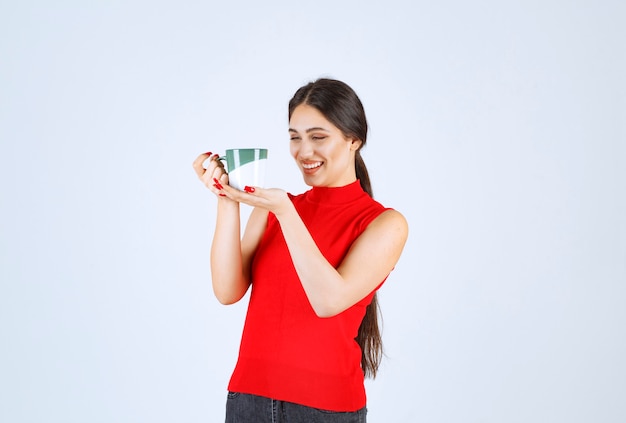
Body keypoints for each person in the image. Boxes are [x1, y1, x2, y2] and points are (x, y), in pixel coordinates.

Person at [192, 78, 408, 422]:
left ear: (354, 139)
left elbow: (328, 301)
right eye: (295, 137)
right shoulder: (275, 208)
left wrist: (285, 212)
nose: (304, 151)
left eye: (318, 137)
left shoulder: (384, 224)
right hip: (248, 399)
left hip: (326, 409)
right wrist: (226, 197)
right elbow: (227, 290)